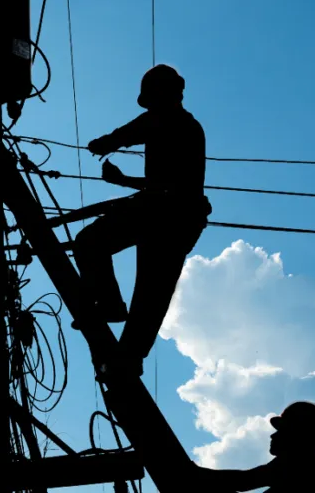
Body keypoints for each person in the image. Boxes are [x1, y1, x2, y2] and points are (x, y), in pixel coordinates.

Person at [71, 64, 211, 378]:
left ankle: (127, 358)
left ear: (167, 93)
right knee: (90, 243)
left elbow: (174, 186)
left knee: (150, 292)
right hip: (154, 212)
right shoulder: (160, 120)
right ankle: (110, 308)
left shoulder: (183, 127)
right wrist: (105, 144)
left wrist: (122, 179)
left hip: (175, 220)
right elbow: (128, 133)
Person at [195, 401, 315, 492]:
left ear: (297, 436)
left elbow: (243, 481)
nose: (273, 436)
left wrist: (194, 473)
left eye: (282, 431)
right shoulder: (306, 465)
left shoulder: (301, 464)